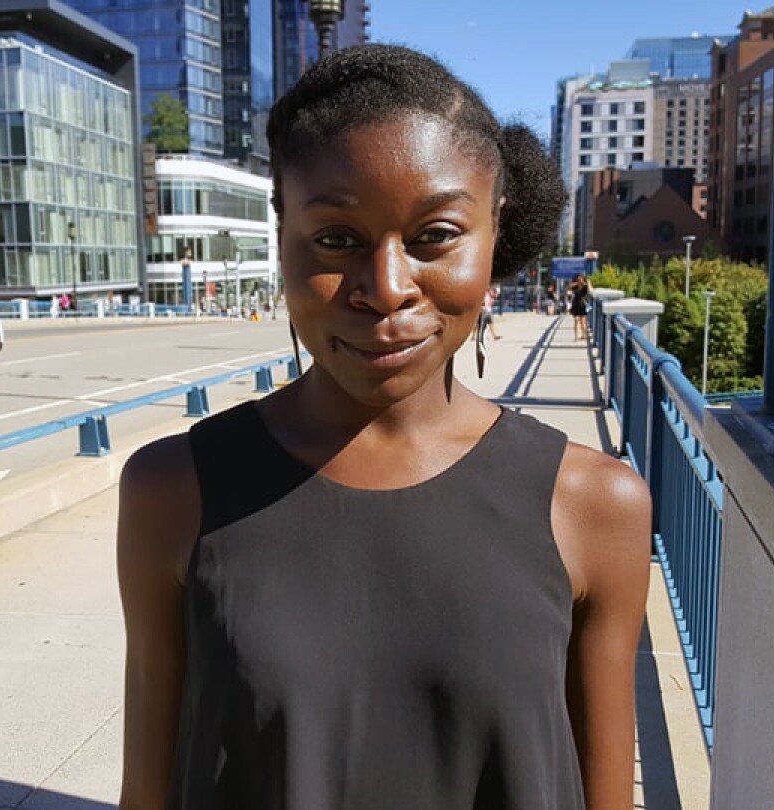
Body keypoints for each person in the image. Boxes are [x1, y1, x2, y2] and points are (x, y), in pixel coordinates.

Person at [117, 45, 650, 810]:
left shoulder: (597, 505)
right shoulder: (174, 490)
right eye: (336, 240)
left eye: (435, 235)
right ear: (282, 234)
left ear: (495, 232)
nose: (387, 288)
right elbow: (148, 790)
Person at [568, 273, 593, 341]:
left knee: (583, 322)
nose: (579, 279)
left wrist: (588, 282)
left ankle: (584, 335)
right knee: (576, 320)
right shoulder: (575, 286)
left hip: (583, 305)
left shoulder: (585, 287)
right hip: (575, 305)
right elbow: (569, 289)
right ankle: (576, 337)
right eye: (578, 278)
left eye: (581, 278)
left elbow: (591, 291)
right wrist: (577, 283)